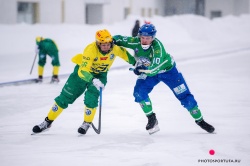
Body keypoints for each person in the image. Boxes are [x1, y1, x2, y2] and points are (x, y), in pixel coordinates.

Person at [113, 24, 215, 135]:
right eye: (142, 37)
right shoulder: (135, 41)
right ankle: (152, 118)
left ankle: (200, 120)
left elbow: (153, 69)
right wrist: (110, 41)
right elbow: (121, 39)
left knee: (185, 97)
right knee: (138, 92)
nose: (145, 40)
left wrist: (140, 69)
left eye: (148, 38)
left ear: (153, 38)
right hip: (150, 72)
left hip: (168, 71)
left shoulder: (158, 48)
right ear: (139, 36)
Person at [32, 29, 136, 135]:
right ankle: (47, 121)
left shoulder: (116, 49)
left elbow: (126, 56)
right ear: (98, 43)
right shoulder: (90, 49)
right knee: (64, 98)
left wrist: (137, 64)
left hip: (100, 75)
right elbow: (83, 70)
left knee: (92, 98)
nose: (106, 46)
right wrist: (92, 79)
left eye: (108, 44)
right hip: (81, 74)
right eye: (102, 44)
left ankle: (86, 123)